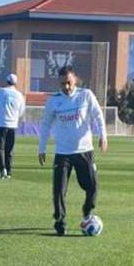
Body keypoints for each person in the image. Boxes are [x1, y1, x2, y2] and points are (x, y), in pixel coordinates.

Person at [37, 65, 108, 237]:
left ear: (75, 79)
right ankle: (59, 221)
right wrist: (42, 147)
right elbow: (46, 124)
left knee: (92, 186)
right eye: (62, 84)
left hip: (85, 150)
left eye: (69, 83)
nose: (66, 87)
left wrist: (103, 136)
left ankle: (87, 213)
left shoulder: (86, 95)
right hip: (63, 153)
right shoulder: (53, 101)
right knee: (59, 190)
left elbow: (98, 116)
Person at [0, 73, 26, 178]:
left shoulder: (1, 92)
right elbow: (21, 111)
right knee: (9, 149)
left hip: (1, 124)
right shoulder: (19, 95)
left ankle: (2, 169)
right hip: (13, 125)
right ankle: (9, 171)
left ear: (7, 81)